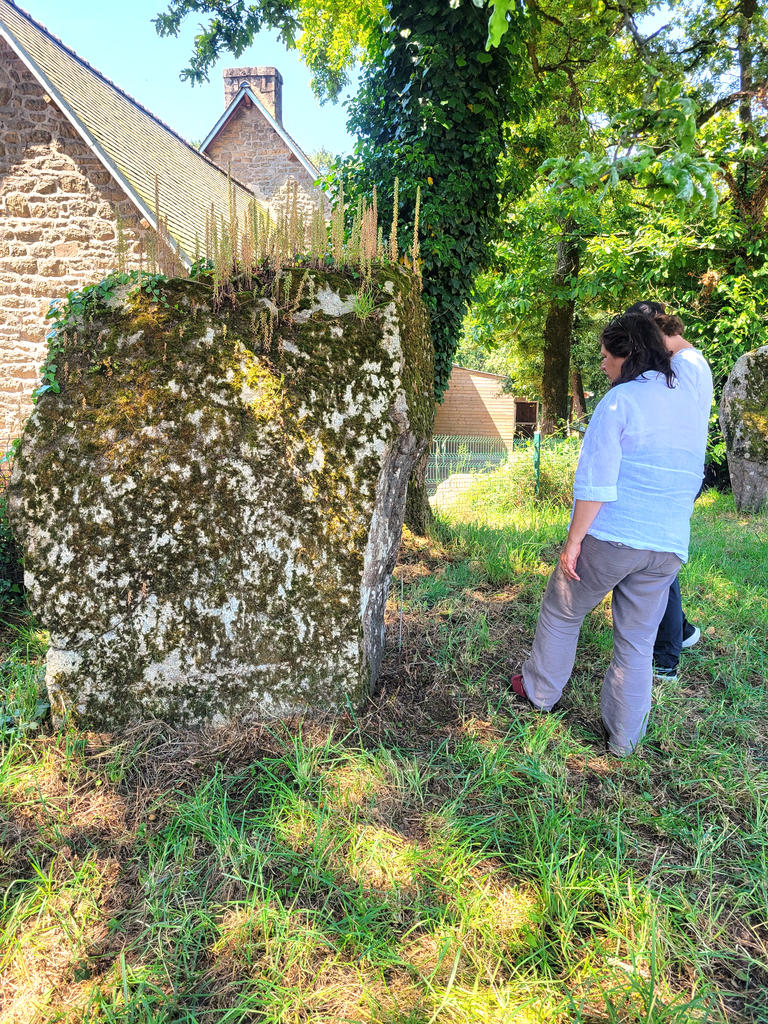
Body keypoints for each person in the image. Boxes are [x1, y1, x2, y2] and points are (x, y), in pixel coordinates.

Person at [510, 313, 709, 756]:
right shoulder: (689, 400)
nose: (602, 365)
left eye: (605, 357)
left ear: (629, 355)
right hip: (668, 546)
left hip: (615, 535)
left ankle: (539, 693)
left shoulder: (621, 401)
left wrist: (574, 541)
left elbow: (596, 481)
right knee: (637, 643)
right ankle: (624, 739)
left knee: (562, 612)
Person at [625, 301, 713, 680]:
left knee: (659, 562)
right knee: (658, 559)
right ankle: (683, 630)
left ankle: (665, 658)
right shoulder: (691, 361)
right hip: (675, 472)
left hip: (673, 473)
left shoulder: (682, 366)